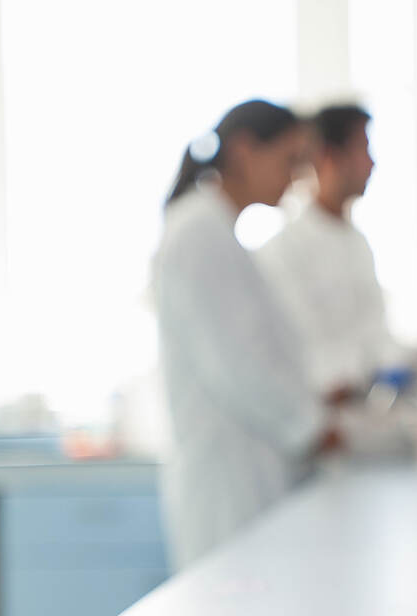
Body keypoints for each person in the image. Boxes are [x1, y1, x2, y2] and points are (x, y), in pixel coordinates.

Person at [152, 100, 332, 570]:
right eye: (289, 160)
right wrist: (314, 428)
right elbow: (237, 366)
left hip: (249, 476)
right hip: (226, 487)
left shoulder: (218, 231)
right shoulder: (198, 233)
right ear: (245, 150)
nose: (296, 178)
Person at [255, 104, 400, 402]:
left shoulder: (358, 243)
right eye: (363, 149)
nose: (372, 164)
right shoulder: (283, 251)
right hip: (313, 425)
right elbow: (298, 361)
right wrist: (362, 372)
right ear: (328, 156)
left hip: (364, 416)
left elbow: (377, 337)